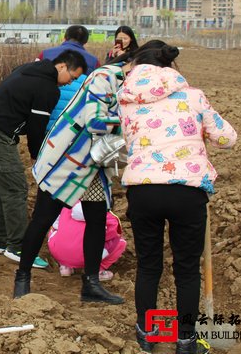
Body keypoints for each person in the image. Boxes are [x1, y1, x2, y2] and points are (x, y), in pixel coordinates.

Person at [14, 45, 168, 303]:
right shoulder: (104, 77)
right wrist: (134, 122)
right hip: (68, 159)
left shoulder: (134, 85)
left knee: (96, 220)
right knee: (43, 217)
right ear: (137, 62)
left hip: (94, 165)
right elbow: (96, 122)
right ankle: (22, 277)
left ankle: (91, 283)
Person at [119, 45, 236, 354]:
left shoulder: (126, 98)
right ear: (171, 65)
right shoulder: (193, 96)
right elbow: (227, 138)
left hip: (142, 189)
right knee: (186, 268)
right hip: (187, 189)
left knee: (148, 264)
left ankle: (146, 332)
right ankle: (186, 340)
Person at [0, 50, 87, 269]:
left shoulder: (28, 69)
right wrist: (39, 157)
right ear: (61, 67)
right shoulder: (47, 88)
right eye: (71, 77)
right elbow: (37, 128)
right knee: (16, 189)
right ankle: (17, 246)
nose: (68, 83)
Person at [48, 202, 126, 280]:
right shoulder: (105, 214)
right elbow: (111, 234)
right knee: (119, 241)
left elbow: (56, 224)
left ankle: (65, 266)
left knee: (55, 229)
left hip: (60, 253)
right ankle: (97, 271)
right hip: (86, 256)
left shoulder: (68, 205)